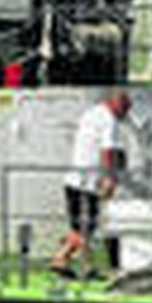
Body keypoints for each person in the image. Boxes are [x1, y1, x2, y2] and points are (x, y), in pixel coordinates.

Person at [52, 90, 131, 275]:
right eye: (125, 110)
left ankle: (86, 266)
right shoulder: (109, 121)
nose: (125, 115)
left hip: (75, 180)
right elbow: (107, 152)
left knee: (83, 227)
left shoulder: (92, 113)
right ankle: (60, 258)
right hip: (86, 184)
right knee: (84, 229)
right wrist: (109, 179)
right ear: (118, 104)